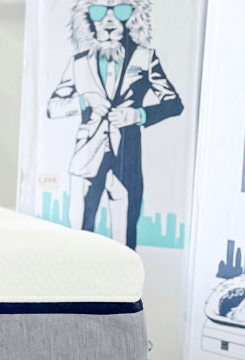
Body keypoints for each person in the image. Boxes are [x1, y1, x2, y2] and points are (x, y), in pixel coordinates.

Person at [46, 1, 183, 250]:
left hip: (126, 158)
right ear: (87, 18)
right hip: (86, 159)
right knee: (77, 235)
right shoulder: (78, 62)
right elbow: (53, 107)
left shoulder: (145, 56)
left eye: (120, 10)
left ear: (133, 16)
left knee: (124, 239)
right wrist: (82, 101)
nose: (109, 20)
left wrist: (138, 115)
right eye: (99, 12)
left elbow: (174, 103)